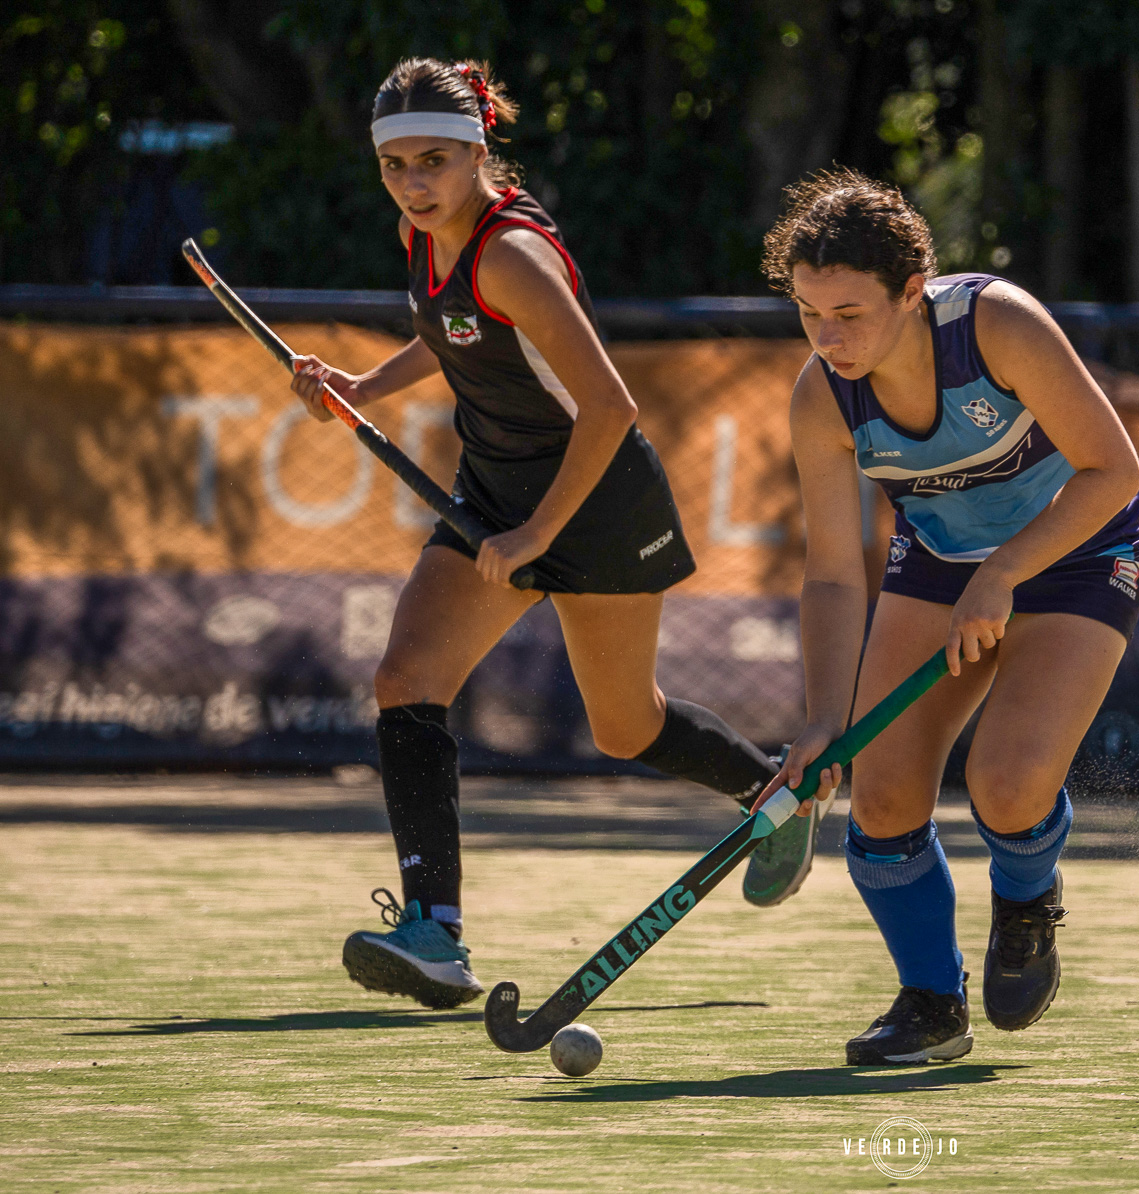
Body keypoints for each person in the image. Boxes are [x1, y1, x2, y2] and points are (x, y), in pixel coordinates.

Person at [290, 58, 822, 1010]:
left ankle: (775, 794)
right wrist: (362, 389)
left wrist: (539, 531)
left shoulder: (512, 255)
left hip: (597, 499)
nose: (415, 184)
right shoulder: (426, 237)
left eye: (436, 162)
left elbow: (609, 409)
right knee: (406, 680)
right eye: (397, 165)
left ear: (478, 152)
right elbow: (453, 329)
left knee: (628, 728)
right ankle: (435, 935)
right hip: (497, 493)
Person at [756, 169, 1139, 1063]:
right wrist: (823, 720)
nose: (829, 338)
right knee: (882, 792)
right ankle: (932, 1004)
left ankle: (1027, 895)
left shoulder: (995, 324)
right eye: (810, 313)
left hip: (1079, 553)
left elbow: (1113, 471)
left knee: (1007, 785)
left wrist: (1005, 573)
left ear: (910, 291)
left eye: (850, 313)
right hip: (938, 563)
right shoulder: (823, 396)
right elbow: (830, 575)